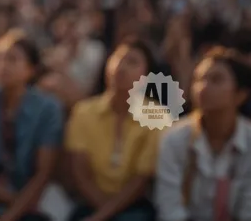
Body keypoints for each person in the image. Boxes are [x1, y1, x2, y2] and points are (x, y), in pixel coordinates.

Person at [0, 30, 62, 221]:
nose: (2, 66)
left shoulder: (48, 109)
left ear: (31, 69)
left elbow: (43, 173)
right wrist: (12, 201)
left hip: (32, 200)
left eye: (12, 59)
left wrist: (14, 212)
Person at [65, 38, 160, 221]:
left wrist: (103, 216)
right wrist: (104, 213)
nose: (122, 67)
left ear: (147, 76)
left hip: (133, 206)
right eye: (118, 59)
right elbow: (81, 174)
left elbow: (140, 181)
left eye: (132, 62)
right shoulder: (83, 111)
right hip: (90, 203)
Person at [154, 47, 251, 221]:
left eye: (216, 80)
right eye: (199, 79)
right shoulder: (174, 139)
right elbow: (170, 211)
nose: (203, 87)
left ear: (240, 94)